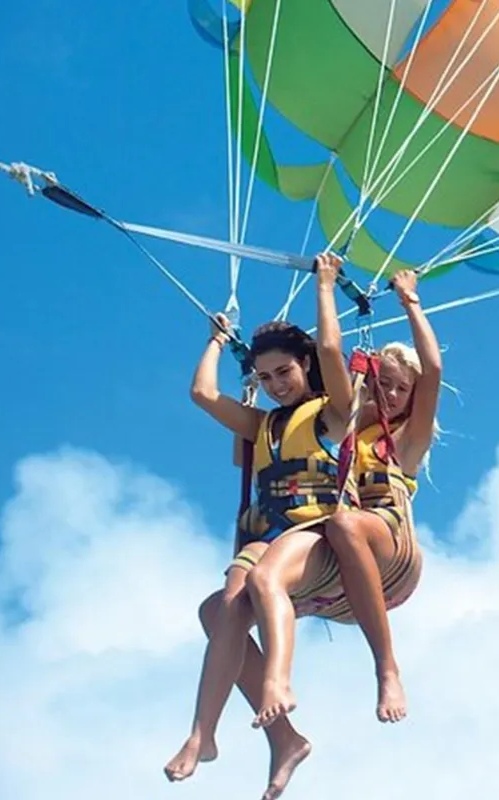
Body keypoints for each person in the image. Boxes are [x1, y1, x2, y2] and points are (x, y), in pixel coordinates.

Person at [165, 254, 442, 798]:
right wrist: (221, 340)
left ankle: (379, 667)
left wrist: (397, 298)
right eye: (380, 384)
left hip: (377, 542)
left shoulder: (391, 437)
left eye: (396, 389)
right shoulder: (297, 423)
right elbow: (203, 397)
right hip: (309, 548)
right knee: (218, 610)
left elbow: (401, 368)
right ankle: (236, 735)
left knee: (335, 528)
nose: (386, 395)